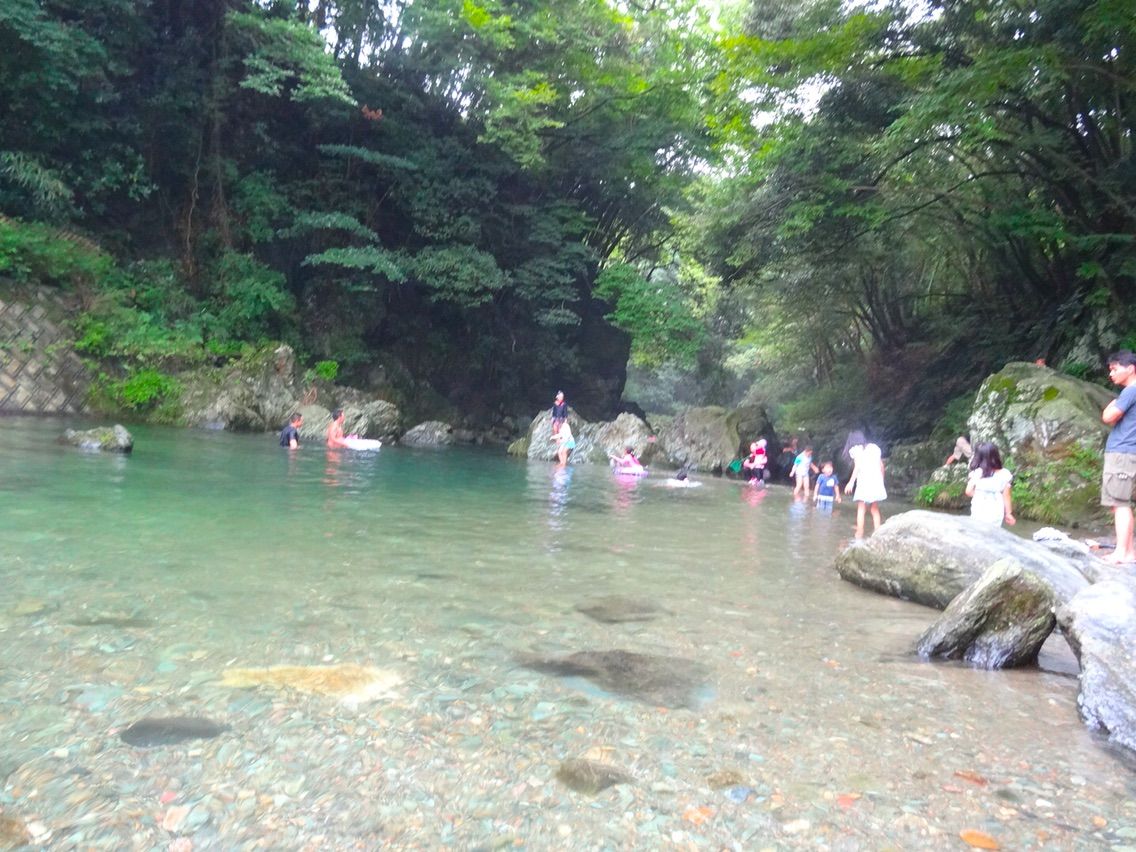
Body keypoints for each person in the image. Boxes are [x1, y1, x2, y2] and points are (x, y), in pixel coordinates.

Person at [1101, 351, 1136, 563]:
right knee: (1121, 502)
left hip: (1122, 452)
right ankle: (1129, 551)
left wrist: (1111, 404)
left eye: (1115, 369)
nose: (1111, 374)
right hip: (1127, 452)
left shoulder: (1130, 391)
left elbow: (1109, 417)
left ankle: (1121, 553)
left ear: (1130, 368)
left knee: (1120, 503)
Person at [845, 433, 886, 538]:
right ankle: (878, 533)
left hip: (864, 481)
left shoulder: (855, 450)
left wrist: (851, 482)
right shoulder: (874, 447)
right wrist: (882, 481)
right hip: (877, 481)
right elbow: (881, 466)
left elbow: (857, 466)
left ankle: (859, 533)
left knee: (861, 508)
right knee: (874, 509)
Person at [965, 442, 1015, 527]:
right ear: (996, 455)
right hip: (996, 508)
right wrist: (1008, 514)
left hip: (979, 506)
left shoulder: (977, 473)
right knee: (993, 532)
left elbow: (968, 491)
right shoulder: (1005, 474)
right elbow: (1006, 495)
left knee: (977, 530)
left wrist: (979, 494)